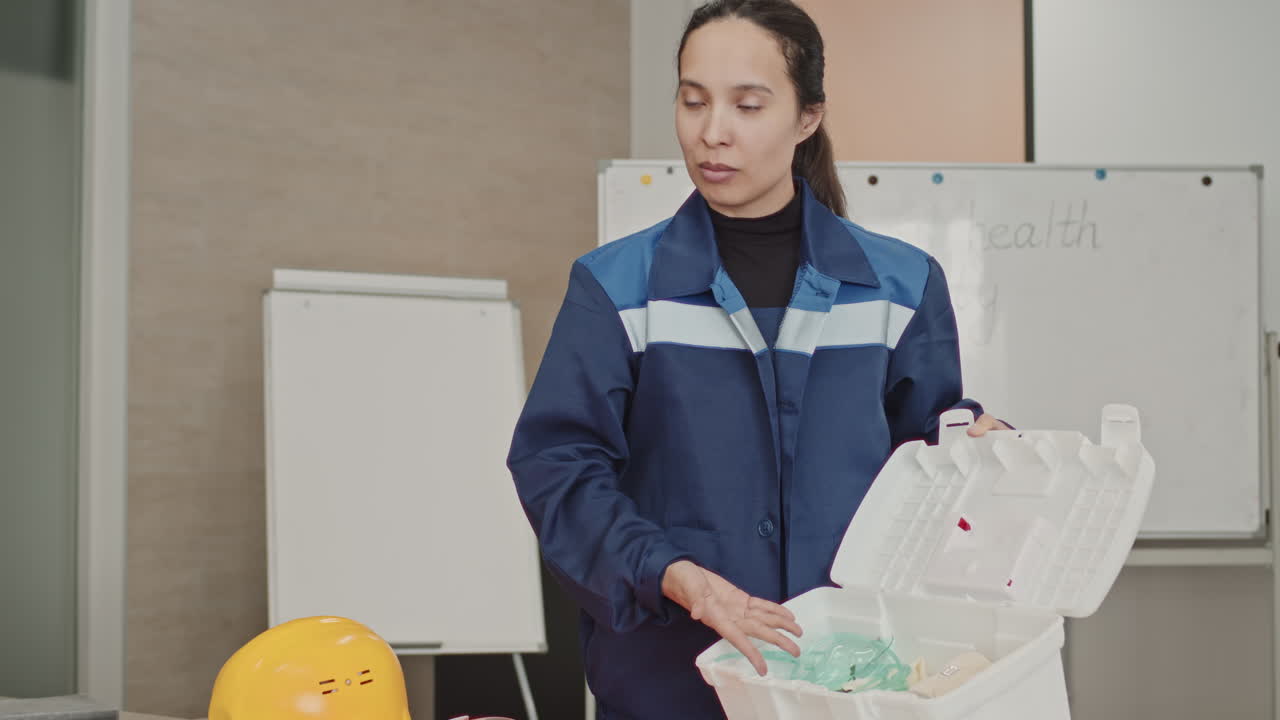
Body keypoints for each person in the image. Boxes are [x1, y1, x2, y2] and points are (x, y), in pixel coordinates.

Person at [507, 1, 1008, 717]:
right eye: (693, 101)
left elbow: (922, 445)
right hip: (671, 680)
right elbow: (557, 468)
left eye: (747, 105)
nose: (713, 132)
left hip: (849, 678)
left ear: (807, 119)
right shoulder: (616, 288)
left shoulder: (900, 285)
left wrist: (970, 439)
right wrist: (675, 575)